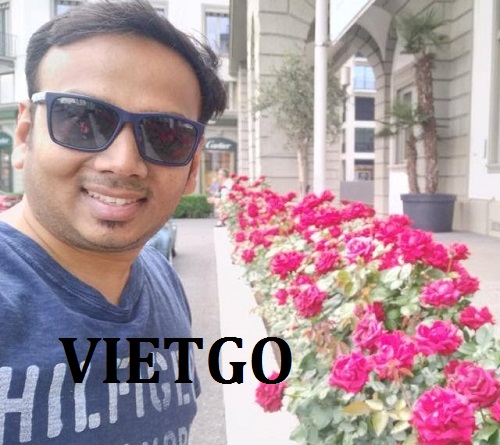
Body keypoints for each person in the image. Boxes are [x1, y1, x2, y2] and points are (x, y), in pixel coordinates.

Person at [0, 1, 226, 444]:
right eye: (83, 120)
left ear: (192, 168)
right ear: (25, 135)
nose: (123, 163)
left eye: (165, 135)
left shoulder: (161, 278)